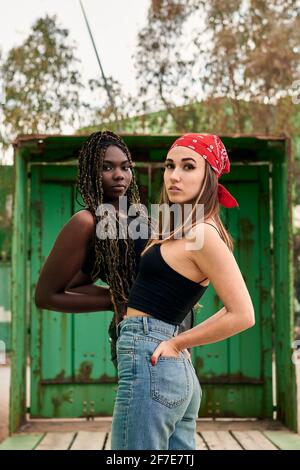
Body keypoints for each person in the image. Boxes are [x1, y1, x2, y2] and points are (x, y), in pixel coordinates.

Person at [111, 133, 255, 450]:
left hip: (153, 360)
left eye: (189, 166)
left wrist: (178, 341)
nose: (175, 175)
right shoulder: (181, 227)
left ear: (208, 176)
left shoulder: (203, 233)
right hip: (164, 362)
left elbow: (243, 314)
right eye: (170, 165)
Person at [34, 130, 194, 371]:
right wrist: (115, 300)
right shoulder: (87, 221)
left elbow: (82, 281)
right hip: (142, 338)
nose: (119, 175)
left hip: (178, 332)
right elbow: (46, 295)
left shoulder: (139, 215)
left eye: (125, 167)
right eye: (107, 168)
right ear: (90, 173)